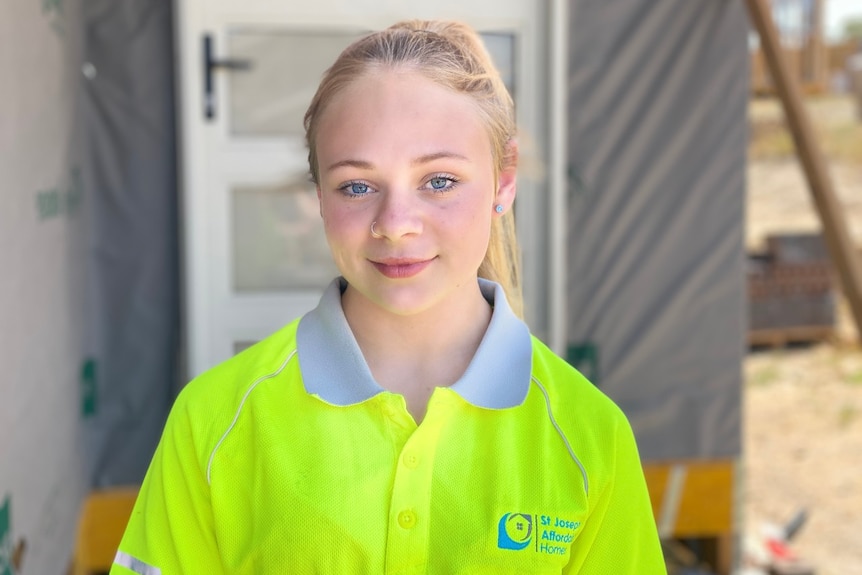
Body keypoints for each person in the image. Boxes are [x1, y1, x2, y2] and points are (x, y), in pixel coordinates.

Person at [111, 19, 666, 574]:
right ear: (321, 198)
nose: (396, 225)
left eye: (439, 181)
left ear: (503, 181)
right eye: (357, 186)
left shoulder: (590, 436)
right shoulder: (212, 421)